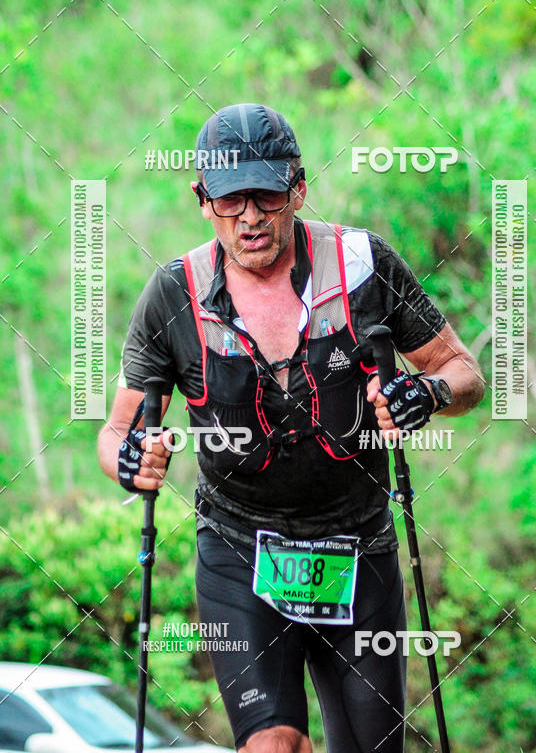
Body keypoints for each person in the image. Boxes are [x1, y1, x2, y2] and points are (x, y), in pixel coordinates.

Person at [98, 102, 484, 753]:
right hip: (240, 552)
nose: (250, 217)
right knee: (271, 743)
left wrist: (427, 392)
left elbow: (465, 373)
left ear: (298, 187)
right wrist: (133, 458)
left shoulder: (364, 264)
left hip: (357, 549)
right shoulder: (174, 292)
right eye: (230, 200)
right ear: (202, 200)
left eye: (268, 197)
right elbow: (114, 434)